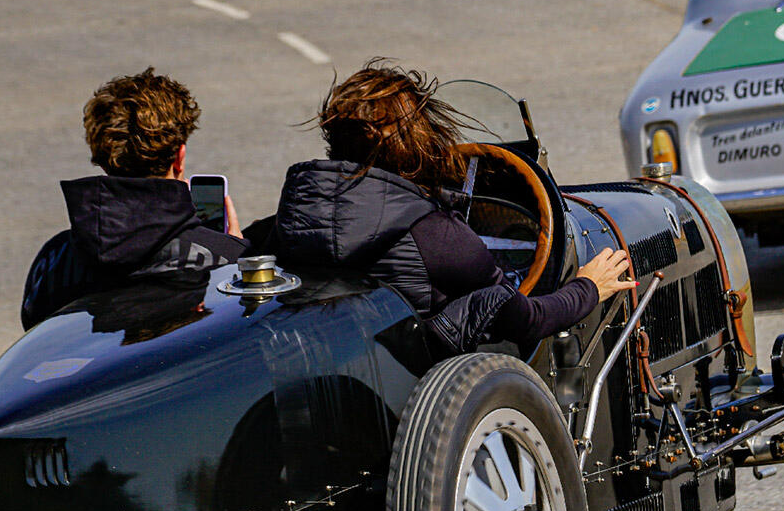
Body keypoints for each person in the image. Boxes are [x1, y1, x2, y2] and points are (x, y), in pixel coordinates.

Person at [269, 60, 633, 353]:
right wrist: (588, 287)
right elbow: (526, 320)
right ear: (418, 142)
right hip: (430, 389)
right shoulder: (435, 234)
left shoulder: (292, 223)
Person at [21, 68, 248, 330]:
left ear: (104, 158)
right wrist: (234, 256)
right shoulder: (226, 255)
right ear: (179, 156)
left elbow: (36, 330)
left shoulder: (53, 260)